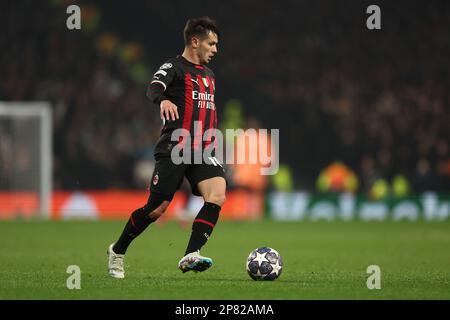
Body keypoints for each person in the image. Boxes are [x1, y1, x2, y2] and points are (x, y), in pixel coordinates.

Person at [107, 17, 226, 278]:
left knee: (217, 194)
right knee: (156, 209)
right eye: (211, 43)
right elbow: (153, 88)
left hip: (202, 149)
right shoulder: (173, 67)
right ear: (195, 42)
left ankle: (191, 254)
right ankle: (117, 250)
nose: (215, 49)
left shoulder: (209, 75)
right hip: (175, 146)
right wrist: (161, 100)